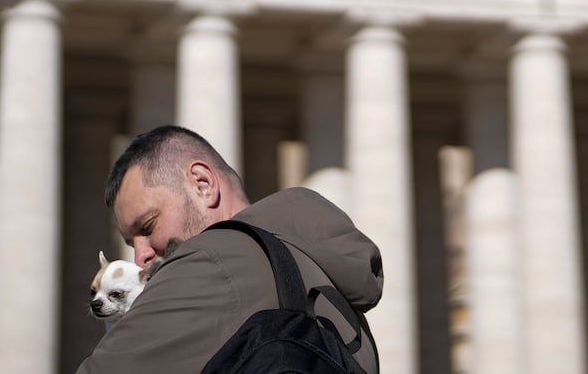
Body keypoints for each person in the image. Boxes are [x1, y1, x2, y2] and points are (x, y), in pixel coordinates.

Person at [77, 125, 383, 374]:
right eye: (131, 243)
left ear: (202, 184)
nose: (140, 256)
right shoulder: (327, 286)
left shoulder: (210, 263)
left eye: (148, 226)